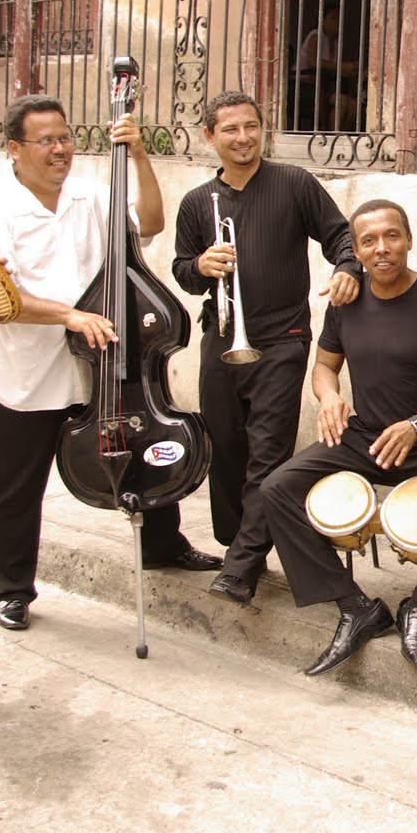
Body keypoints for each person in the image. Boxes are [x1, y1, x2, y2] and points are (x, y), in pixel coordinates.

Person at [262, 200, 417, 674]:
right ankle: (356, 608)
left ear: (409, 240)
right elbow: (323, 368)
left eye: (392, 236)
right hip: (366, 439)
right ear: (355, 250)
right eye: (369, 241)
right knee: (277, 489)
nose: (383, 249)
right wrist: (329, 396)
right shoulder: (346, 303)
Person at [0, 94, 165, 632]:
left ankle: (166, 544)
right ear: (13, 149)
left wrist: (138, 155)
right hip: (16, 375)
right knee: (13, 489)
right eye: (45, 140)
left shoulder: (91, 196)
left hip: (90, 369)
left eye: (65, 138)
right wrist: (69, 316)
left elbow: (152, 222)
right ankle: (12, 589)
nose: (59, 150)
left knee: (138, 453)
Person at [162, 89, 362, 606]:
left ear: (263, 129)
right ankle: (239, 543)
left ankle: (242, 566)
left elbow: (341, 235)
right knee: (225, 448)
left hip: (283, 339)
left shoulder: (294, 183)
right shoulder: (195, 203)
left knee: (268, 455)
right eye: (230, 129)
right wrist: (200, 266)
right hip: (221, 339)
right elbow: (182, 271)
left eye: (250, 126)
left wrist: (347, 268)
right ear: (211, 137)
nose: (243, 137)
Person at [292, 1, 359, 132]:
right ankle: (330, 136)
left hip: (323, 86)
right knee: (342, 103)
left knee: (353, 105)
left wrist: (354, 69)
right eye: (333, 18)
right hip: (303, 87)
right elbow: (313, 62)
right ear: (322, 21)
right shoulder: (316, 35)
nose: (338, 22)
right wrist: (342, 67)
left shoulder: (334, 42)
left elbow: (334, 68)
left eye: (340, 18)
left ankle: (340, 138)